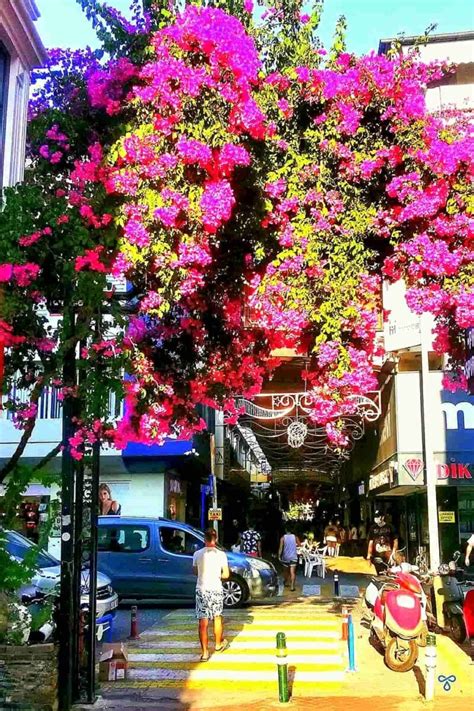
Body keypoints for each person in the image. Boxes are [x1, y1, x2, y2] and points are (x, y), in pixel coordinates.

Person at [192, 528, 230, 662]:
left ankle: (205, 653)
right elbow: (226, 574)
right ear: (216, 538)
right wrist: (217, 575)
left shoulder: (197, 554)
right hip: (216, 589)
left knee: (203, 621)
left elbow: (195, 571)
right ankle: (219, 644)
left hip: (202, 589)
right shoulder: (221, 555)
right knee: (217, 617)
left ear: (204, 539)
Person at [366, 510, 398, 574]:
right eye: (375, 517)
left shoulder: (390, 527)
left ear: (382, 517)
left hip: (388, 555)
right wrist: (369, 555)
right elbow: (371, 542)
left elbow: (395, 540)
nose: (376, 518)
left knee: (390, 573)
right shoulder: (373, 528)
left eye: (378, 517)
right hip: (376, 556)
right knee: (378, 574)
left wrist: (394, 552)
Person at [278, 524, 300, 591]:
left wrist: (279, 556)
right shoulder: (295, 537)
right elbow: (299, 544)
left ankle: (286, 582)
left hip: (285, 557)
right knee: (292, 572)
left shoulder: (282, 538)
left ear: (285, 530)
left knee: (285, 571)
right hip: (293, 556)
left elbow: (281, 548)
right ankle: (292, 586)